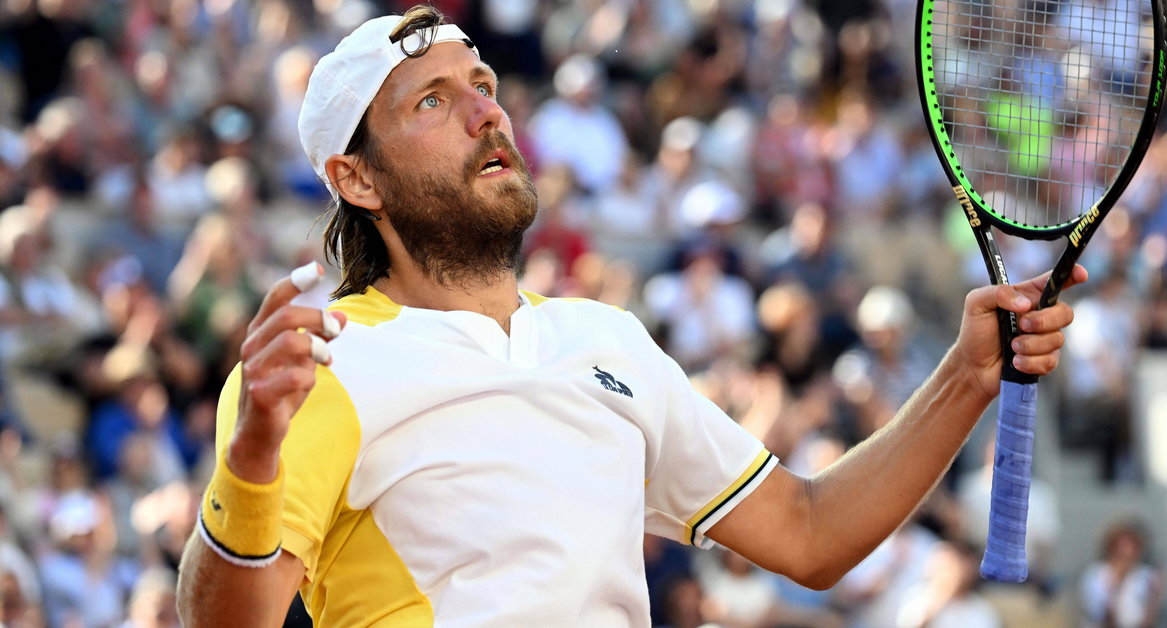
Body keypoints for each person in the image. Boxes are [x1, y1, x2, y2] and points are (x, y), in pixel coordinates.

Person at [176, 6, 1086, 626]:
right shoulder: (319, 366)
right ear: (356, 177)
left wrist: (967, 374)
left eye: (483, 84)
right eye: (433, 101)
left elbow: (809, 535)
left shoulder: (607, 341)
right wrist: (251, 458)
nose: (485, 114)